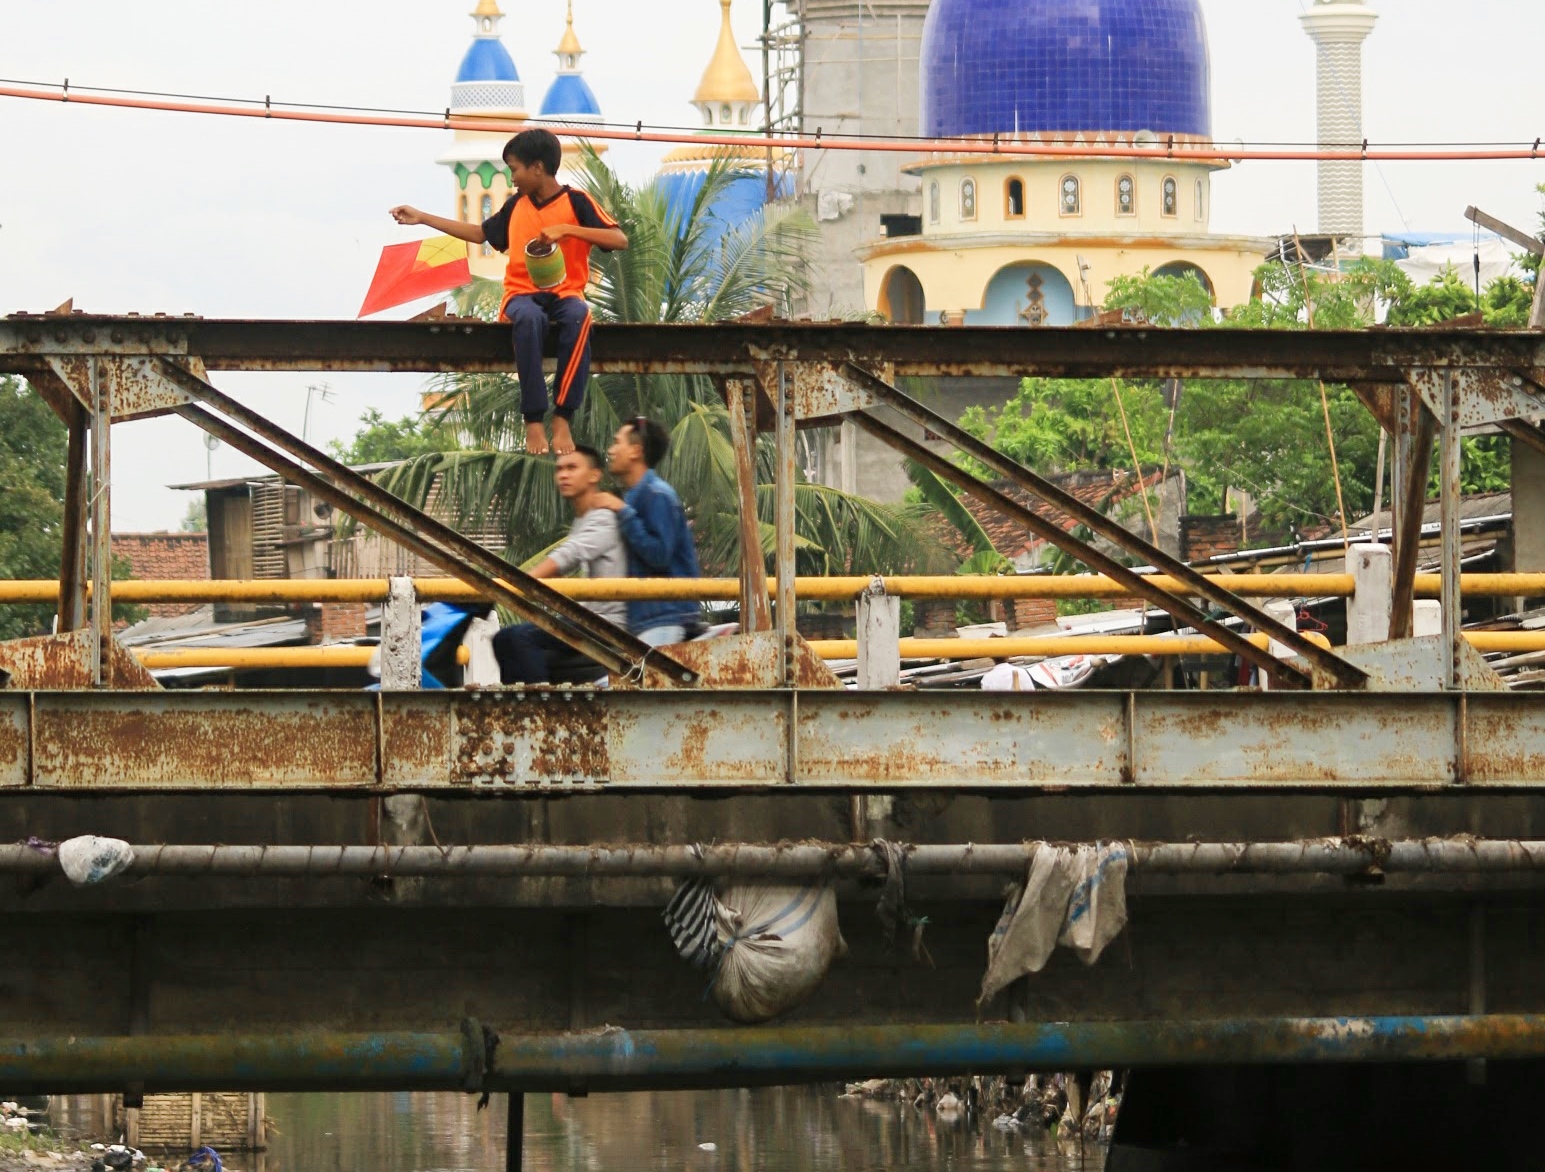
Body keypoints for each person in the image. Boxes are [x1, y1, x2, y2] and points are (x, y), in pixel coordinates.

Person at [389, 128, 627, 457]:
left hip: (565, 294)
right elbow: (479, 234)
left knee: (578, 316)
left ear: (538, 168)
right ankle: (533, 419)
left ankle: (562, 417)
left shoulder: (576, 202)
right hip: (522, 295)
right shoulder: (516, 206)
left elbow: (619, 239)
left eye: (514, 169)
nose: (511, 178)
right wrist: (423, 218)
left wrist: (567, 230)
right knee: (528, 319)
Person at [491, 445, 627, 684]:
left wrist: (521, 583)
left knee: (521, 638)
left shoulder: (603, 517)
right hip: (587, 619)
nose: (563, 475)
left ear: (595, 475)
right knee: (505, 641)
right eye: (560, 469)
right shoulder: (583, 519)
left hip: (606, 623)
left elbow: (567, 556)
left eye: (572, 468)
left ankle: (540, 713)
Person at [592, 417, 703, 646]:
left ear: (635, 451)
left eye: (617, 442)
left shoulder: (657, 495)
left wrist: (623, 512)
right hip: (648, 620)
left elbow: (659, 554)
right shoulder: (637, 495)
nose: (611, 450)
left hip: (665, 620)